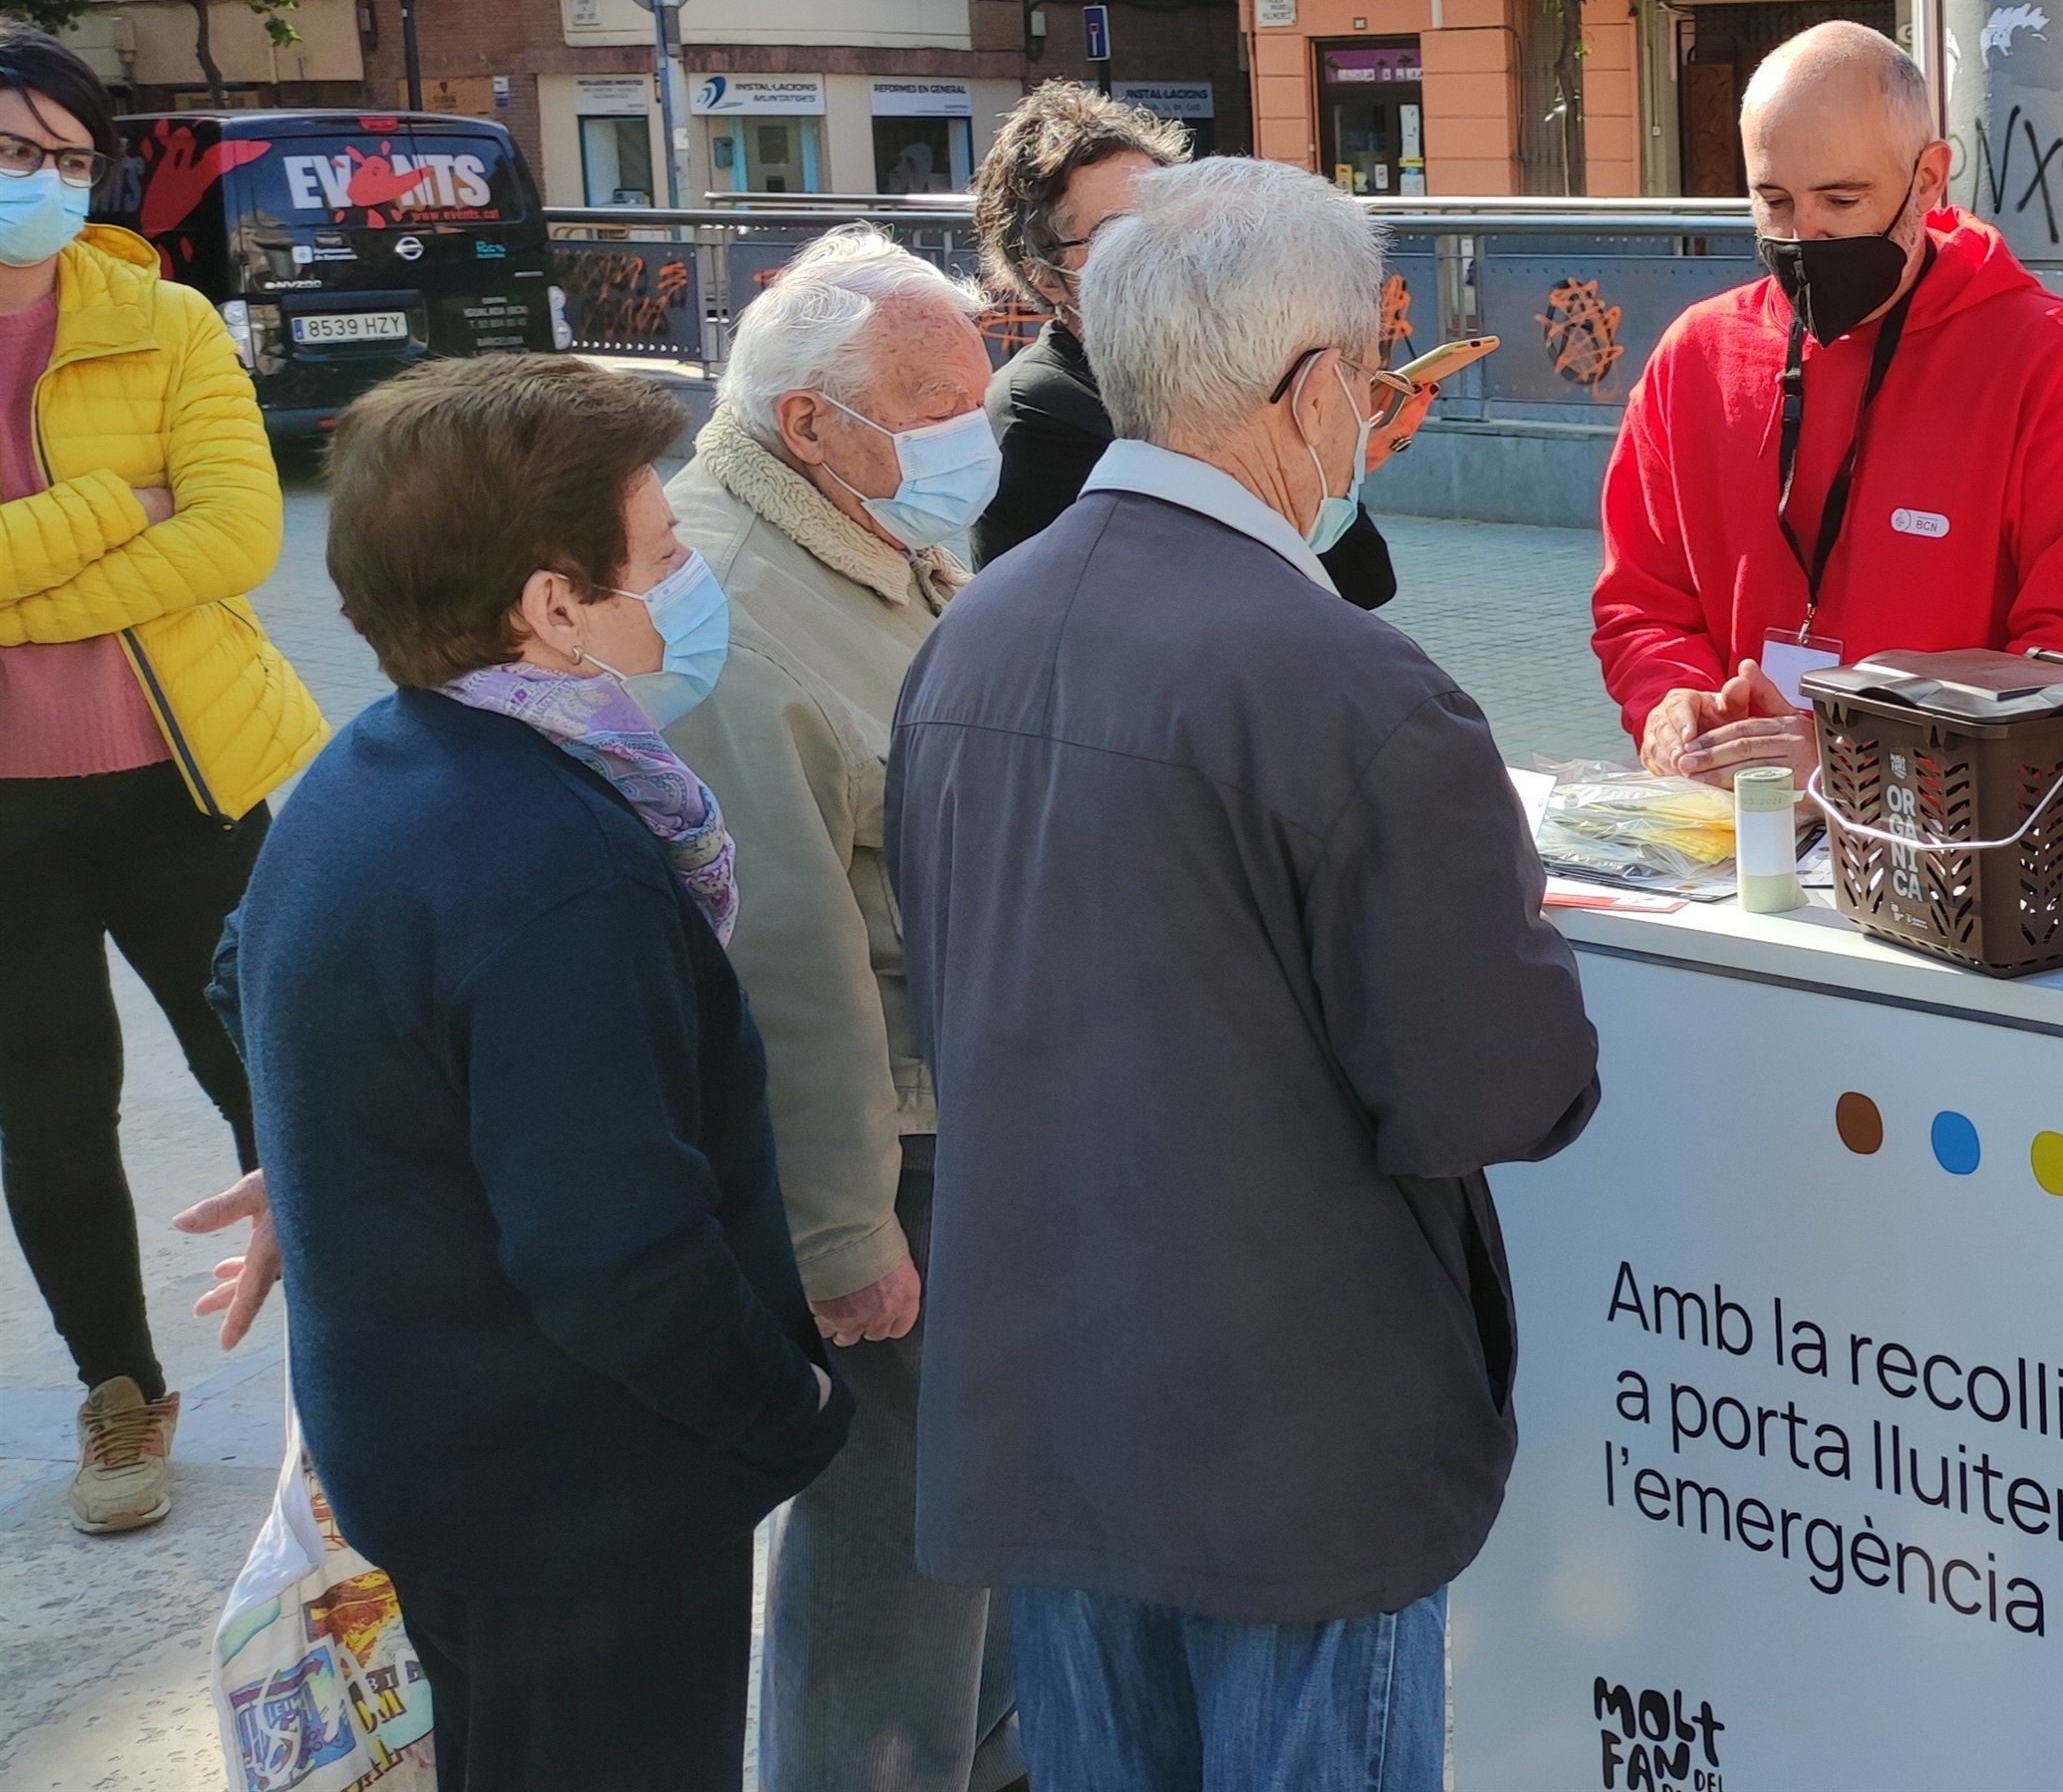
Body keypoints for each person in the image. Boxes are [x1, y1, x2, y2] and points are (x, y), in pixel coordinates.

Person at [889, 161, 1600, 1790]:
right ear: (1312, 391)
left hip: (1053, 1413)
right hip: (1298, 1446)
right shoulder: (1356, 692)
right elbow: (1491, 1090)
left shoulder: (972, 638)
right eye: (1367, 362)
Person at [203, 354, 850, 1790]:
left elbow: (249, 971)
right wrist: (788, 1412)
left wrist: (344, 1138)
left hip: (433, 1467)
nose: (688, 584)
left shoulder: (374, 757)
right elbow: (615, 1256)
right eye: (664, 556)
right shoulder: (562, 861)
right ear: (555, 606)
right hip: (580, 1503)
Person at [657, 226, 1007, 1791]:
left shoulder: (862, 525)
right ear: (811, 420)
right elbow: (786, 960)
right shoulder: (732, 598)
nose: (970, 433)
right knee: (890, 1546)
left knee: (965, 1524)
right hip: (886, 1134)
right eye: (937, 403)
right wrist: (847, 1233)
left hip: (956, 1091)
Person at [0, 25, 325, 1537]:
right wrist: (95, 511)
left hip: (181, 770)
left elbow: (236, 537)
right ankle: (119, 1393)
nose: (42, 184)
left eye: (68, 159)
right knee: (50, 1105)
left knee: (281, 1068)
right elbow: (157, 527)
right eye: (13, 153)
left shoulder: (168, 321)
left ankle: (349, 1339)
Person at [1592, 21, 2063, 786]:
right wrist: (1673, 706)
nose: (1803, 235)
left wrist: (1856, 760)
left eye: (1842, 199)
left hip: (1955, 844)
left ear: (1928, 180)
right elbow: (1642, 602)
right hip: (1738, 820)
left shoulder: (2046, 358)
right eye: (1773, 201)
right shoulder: (1694, 355)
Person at [967, 82, 1402, 608]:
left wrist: (1332, 452)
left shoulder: (1238, 360)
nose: (1154, 253)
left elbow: (1365, 579)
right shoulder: (1036, 409)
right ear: (1047, 277)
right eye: (1116, 234)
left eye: (1162, 224)